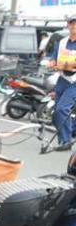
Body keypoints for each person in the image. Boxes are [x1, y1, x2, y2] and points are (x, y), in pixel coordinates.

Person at [51, 15, 76, 151]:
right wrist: (52, 63)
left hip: (75, 81)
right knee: (56, 113)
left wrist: (68, 65)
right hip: (62, 79)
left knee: (62, 109)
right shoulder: (61, 42)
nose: (73, 26)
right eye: (71, 23)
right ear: (68, 25)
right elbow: (53, 59)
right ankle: (67, 136)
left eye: (75, 23)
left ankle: (66, 142)